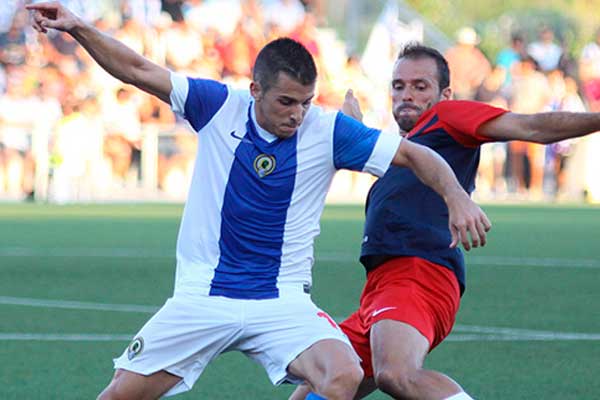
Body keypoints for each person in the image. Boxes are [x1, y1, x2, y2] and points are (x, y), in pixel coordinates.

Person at [27, 4, 490, 400]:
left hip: (281, 302)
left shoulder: (327, 129)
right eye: (286, 102)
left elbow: (414, 154)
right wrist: (77, 26)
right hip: (203, 298)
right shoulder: (216, 104)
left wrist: (455, 196)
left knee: (343, 374)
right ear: (256, 91)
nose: (297, 114)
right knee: (118, 395)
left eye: (306, 102)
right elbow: (140, 70)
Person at [291, 43, 600, 400]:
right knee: (321, 386)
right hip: (379, 288)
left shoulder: (448, 117)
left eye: (420, 87)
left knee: (397, 374)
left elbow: (531, 127)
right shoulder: (403, 150)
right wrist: (353, 129)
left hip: (418, 272)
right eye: (399, 85)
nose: (406, 95)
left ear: (445, 94)